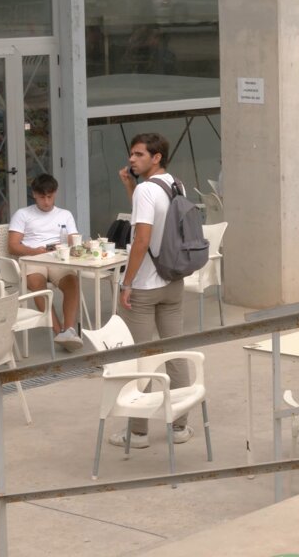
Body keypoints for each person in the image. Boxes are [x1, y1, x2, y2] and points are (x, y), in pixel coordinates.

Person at [112, 132, 191, 450]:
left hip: (144, 287)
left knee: (141, 360)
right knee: (175, 355)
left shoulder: (146, 189)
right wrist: (129, 186)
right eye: (131, 154)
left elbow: (142, 238)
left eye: (139, 154)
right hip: (172, 281)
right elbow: (155, 217)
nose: (132, 159)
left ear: (156, 157)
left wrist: (127, 282)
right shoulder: (176, 185)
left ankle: (139, 433)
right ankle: (180, 427)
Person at [6, 174, 83, 351]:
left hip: (57, 257)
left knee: (72, 282)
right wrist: (35, 251)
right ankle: (58, 332)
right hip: (33, 257)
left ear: (55, 193)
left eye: (50, 196)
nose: (46, 202)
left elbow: (74, 239)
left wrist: (69, 245)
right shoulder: (23, 214)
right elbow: (12, 246)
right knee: (36, 283)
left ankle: (69, 330)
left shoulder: (65, 214)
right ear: (34, 194)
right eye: (42, 197)